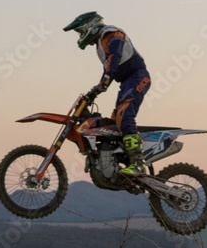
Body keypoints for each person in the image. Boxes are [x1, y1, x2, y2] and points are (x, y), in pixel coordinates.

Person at [63, 12, 151, 177]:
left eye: (81, 31)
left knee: (125, 117)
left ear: (90, 26)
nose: (81, 36)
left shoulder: (111, 33)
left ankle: (138, 164)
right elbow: (109, 68)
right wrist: (97, 89)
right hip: (126, 82)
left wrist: (104, 82)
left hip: (138, 77)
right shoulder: (101, 44)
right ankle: (117, 160)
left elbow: (115, 57)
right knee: (113, 123)